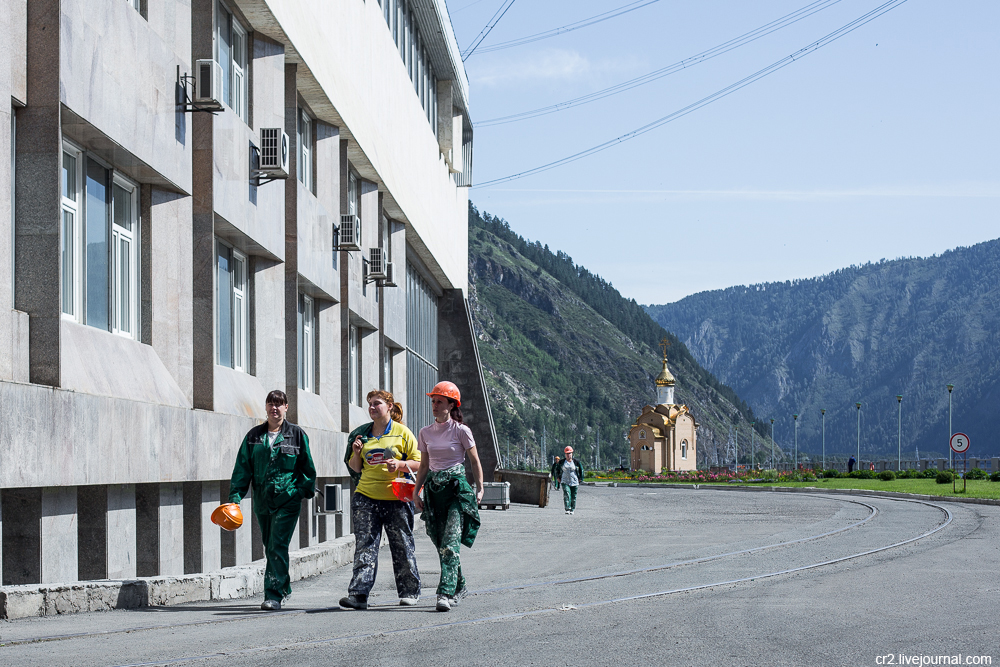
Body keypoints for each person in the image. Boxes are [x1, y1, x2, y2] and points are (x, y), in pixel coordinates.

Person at [228, 390, 316, 611]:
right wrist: (235, 498)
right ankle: (283, 586)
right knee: (270, 546)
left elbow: (307, 469)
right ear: (266, 407)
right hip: (263, 500)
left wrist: (300, 492)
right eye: (270, 404)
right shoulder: (254, 436)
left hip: (288, 499)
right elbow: (242, 468)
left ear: (286, 407)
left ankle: (273, 595)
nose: (274, 408)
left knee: (277, 544)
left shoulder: (296, 435)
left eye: (279, 404)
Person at [339, 390, 422, 610]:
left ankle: (409, 592)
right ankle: (358, 594)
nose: (372, 408)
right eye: (369, 404)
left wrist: (400, 465)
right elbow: (355, 468)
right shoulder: (362, 435)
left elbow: (419, 463)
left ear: (389, 406)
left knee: (402, 545)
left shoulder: (402, 433)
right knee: (365, 546)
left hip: (396, 499)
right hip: (366, 498)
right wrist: (357, 453)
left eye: (377, 404)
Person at [412, 381, 484, 612]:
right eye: (433, 401)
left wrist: (480, 488)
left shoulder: (461, 431)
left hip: (455, 492)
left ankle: (444, 593)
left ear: (451, 405)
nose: (434, 405)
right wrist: (416, 491)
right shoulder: (425, 432)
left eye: (439, 401)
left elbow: (474, 461)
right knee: (441, 543)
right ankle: (460, 584)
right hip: (434, 492)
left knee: (451, 543)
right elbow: (423, 466)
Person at [553, 446, 583, 515]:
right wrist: (558, 477)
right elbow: (556, 469)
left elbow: (581, 470)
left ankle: (572, 509)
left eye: (569, 453)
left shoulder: (576, 462)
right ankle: (567, 508)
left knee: (573, 496)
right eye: (567, 453)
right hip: (565, 481)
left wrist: (580, 478)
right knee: (567, 493)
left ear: (572, 453)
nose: (568, 455)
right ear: (565, 454)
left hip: (574, 481)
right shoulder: (562, 462)